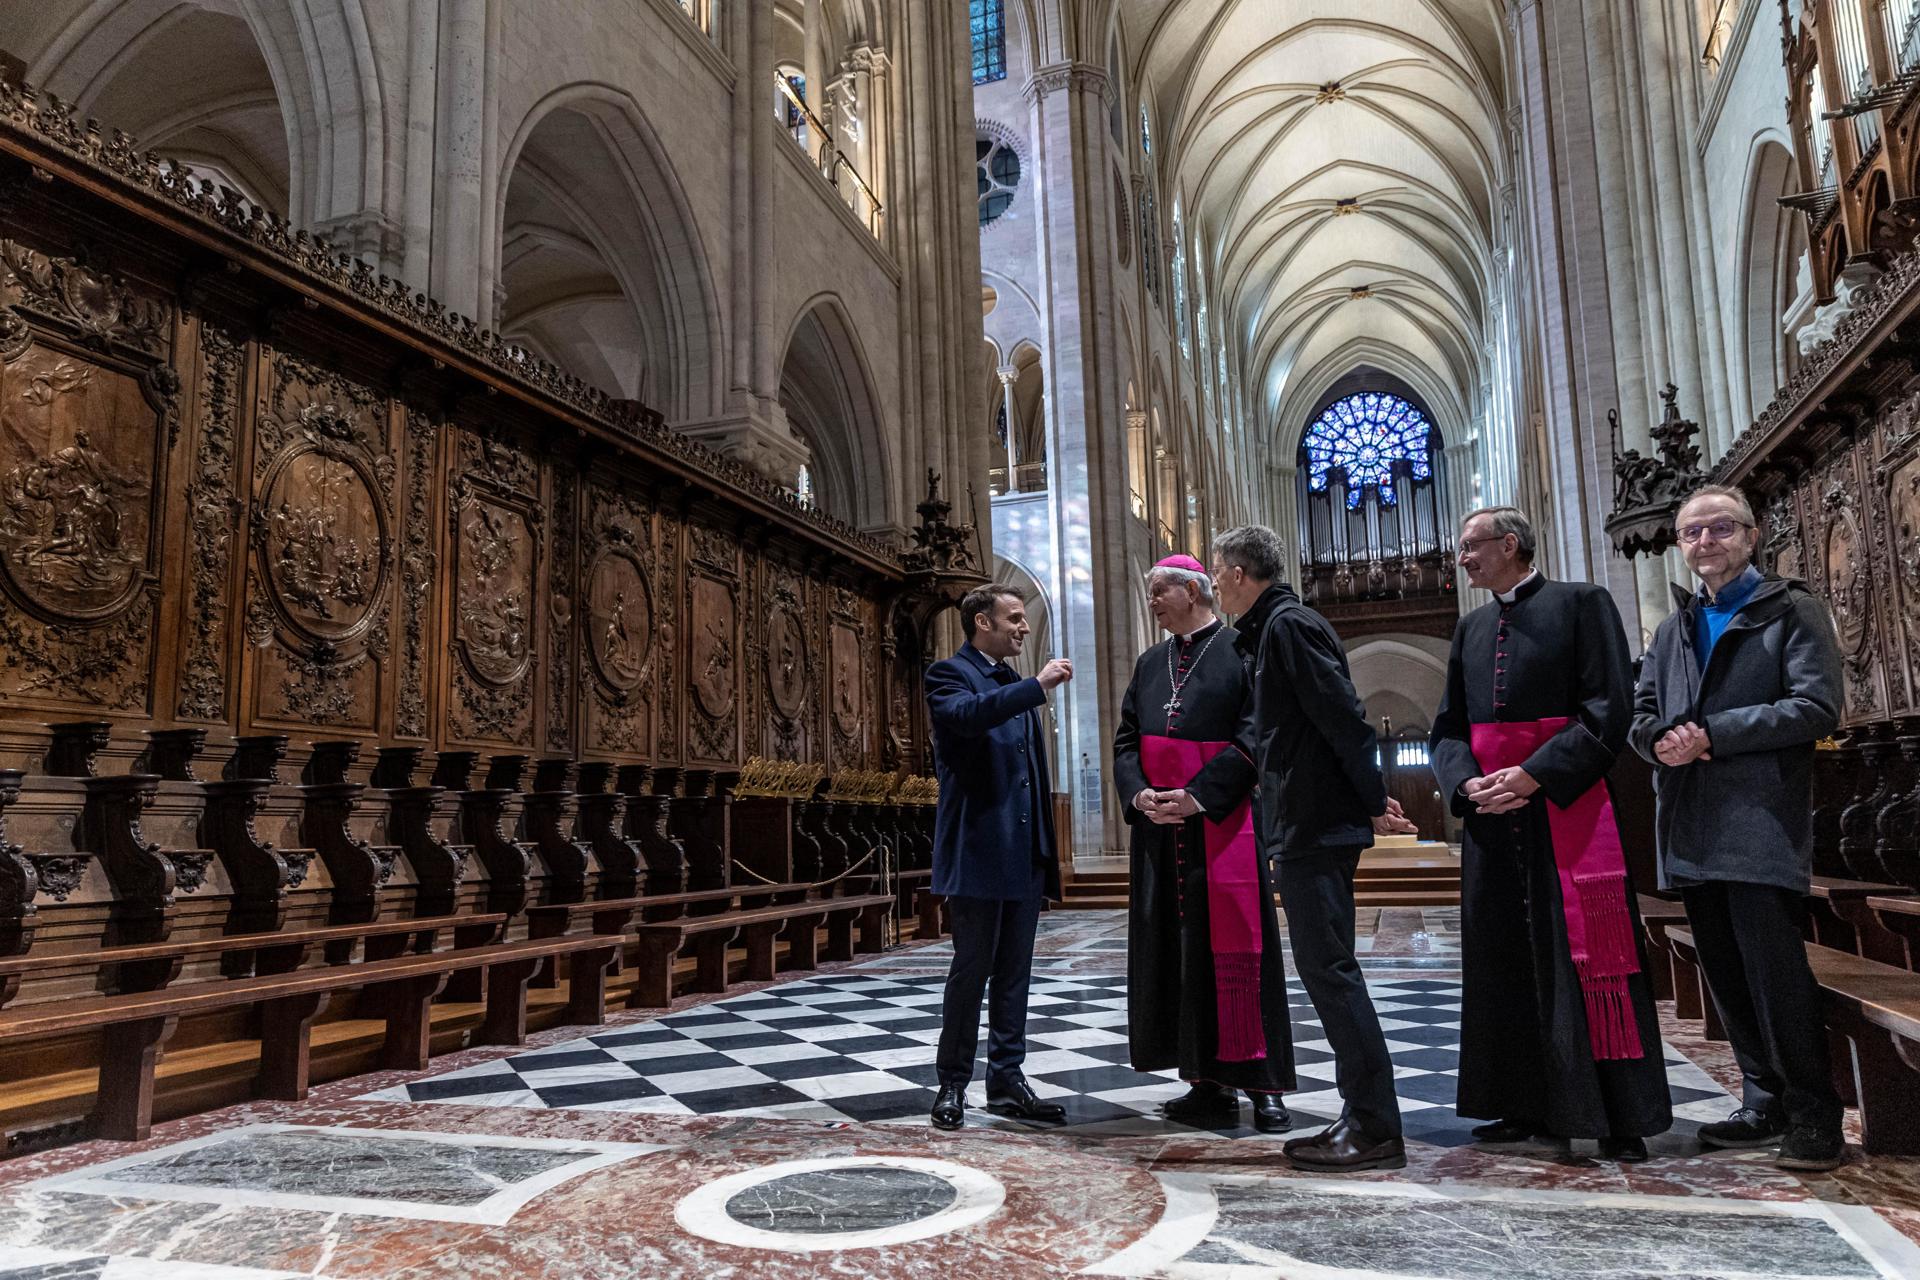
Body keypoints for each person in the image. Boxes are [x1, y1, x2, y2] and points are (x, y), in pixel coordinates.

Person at [1430, 506, 1672, 1162]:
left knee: (1594, 958)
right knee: (1502, 959)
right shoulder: (1471, 628)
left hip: (1565, 808)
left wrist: (1535, 775)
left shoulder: (1582, 603)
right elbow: (1449, 727)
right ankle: (1520, 1103)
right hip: (1491, 818)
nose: (1462, 559)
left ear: (1510, 544)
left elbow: (1608, 708)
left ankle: (1619, 1113)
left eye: (1471, 546)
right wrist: (1464, 786)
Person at [1629, 485, 1847, 1171]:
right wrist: (1657, 742)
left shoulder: (1790, 611)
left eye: (1720, 528)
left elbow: (1816, 707)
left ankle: (1815, 1114)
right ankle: (1763, 1100)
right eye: (1691, 533)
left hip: (1757, 820)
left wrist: (1711, 737)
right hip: (1688, 821)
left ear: (1751, 536)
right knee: (1723, 968)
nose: (1704, 543)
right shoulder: (1673, 628)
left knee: (1775, 974)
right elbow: (1643, 712)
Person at [1211, 524, 1415, 1172]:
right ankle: (1363, 1115)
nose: (1215, 585)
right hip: (1307, 822)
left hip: (1316, 824)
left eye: (1218, 573)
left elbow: (1342, 717)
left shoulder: (1289, 627)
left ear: (1240, 574)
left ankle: (1376, 1126)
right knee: (1327, 972)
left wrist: (1371, 798)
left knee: (1330, 972)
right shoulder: (1271, 631)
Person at [1113, 554, 1294, 1133]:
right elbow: (1125, 741)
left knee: (1240, 957)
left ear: (1193, 592)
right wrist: (1140, 795)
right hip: (1160, 836)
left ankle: (1262, 1084)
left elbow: (1255, 736)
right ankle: (1204, 1083)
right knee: (1178, 957)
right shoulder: (1148, 664)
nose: (1153, 601)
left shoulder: (1244, 650)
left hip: (1222, 826)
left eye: (1160, 591)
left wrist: (1198, 795)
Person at [925, 582, 1074, 1131]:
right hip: (979, 850)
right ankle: (952, 1082)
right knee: (972, 971)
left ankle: (1008, 1080)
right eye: (1014, 618)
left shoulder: (1012, 682)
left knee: (1014, 975)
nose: (1025, 626)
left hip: (1024, 854)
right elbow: (967, 717)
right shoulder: (949, 675)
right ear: (982, 623)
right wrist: (1036, 686)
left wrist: (1045, 851)